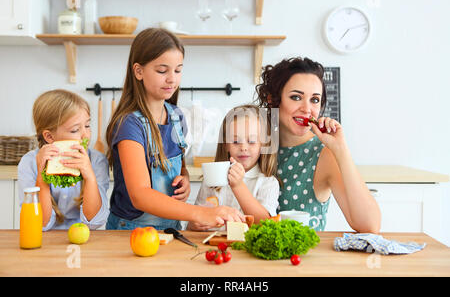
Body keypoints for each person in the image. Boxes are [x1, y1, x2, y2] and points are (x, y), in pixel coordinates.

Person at [105, 28, 244, 230]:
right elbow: (140, 195)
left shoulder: (177, 117)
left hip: (171, 227)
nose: (172, 78)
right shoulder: (129, 124)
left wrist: (185, 181)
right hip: (131, 230)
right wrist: (202, 213)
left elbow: (180, 168)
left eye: (178, 70)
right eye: (162, 71)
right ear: (138, 71)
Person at [255, 56, 381, 233]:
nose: (307, 109)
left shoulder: (323, 155)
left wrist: (340, 149)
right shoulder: (252, 145)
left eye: (314, 100)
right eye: (296, 97)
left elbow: (370, 226)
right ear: (272, 99)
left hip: (304, 259)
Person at [18, 89, 110, 230]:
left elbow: (94, 222)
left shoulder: (97, 160)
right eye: (75, 130)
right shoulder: (29, 163)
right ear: (49, 137)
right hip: (44, 241)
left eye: (87, 126)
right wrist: (42, 179)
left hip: (85, 239)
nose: (85, 135)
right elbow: (40, 224)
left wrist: (90, 177)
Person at [190, 105, 280, 230]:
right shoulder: (211, 180)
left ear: (263, 145)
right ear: (226, 144)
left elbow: (266, 223)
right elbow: (192, 223)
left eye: (252, 141)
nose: (243, 147)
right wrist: (195, 224)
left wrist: (238, 186)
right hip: (212, 246)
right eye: (235, 141)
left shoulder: (268, 183)